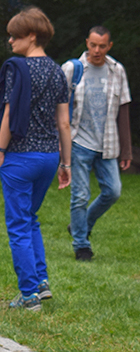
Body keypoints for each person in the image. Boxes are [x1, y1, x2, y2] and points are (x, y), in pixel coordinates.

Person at [0, 6, 71, 311]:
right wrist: (66, 164)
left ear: (32, 36)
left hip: (20, 159)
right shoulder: (58, 71)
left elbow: (9, 113)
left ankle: (28, 296)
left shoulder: (17, 68)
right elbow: (64, 123)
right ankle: (41, 281)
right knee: (31, 217)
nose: (10, 41)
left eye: (15, 36)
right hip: (49, 157)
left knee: (19, 224)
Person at [61, 27, 132, 261]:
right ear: (87, 43)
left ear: (109, 46)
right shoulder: (73, 69)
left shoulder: (116, 70)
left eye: (102, 46)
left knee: (113, 191)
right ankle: (81, 245)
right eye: (93, 45)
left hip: (108, 143)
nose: (97, 50)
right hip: (79, 141)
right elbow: (58, 106)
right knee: (80, 195)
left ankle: (80, 224)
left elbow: (123, 110)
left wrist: (126, 149)